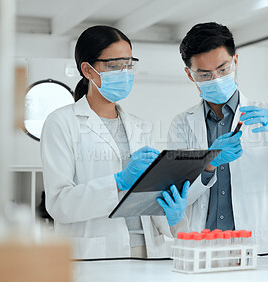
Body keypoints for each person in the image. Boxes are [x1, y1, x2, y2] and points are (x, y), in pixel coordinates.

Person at [167, 22, 268, 254]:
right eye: (204, 74)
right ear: (189, 74)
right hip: (204, 247)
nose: (215, 79)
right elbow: (179, 195)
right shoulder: (182, 124)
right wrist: (209, 164)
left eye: (222, 69)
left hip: (260, 246)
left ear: (235, 61)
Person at [41, 25, 189, 259]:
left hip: (150, 251)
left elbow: (147, 201)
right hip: (97, 253)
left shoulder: (140, 127)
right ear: (88, 70)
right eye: (114, 66)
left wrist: (173, 215)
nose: (124, 72)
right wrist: (118, 182)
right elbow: (59, 205)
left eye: (129, 64)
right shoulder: (61, 123)